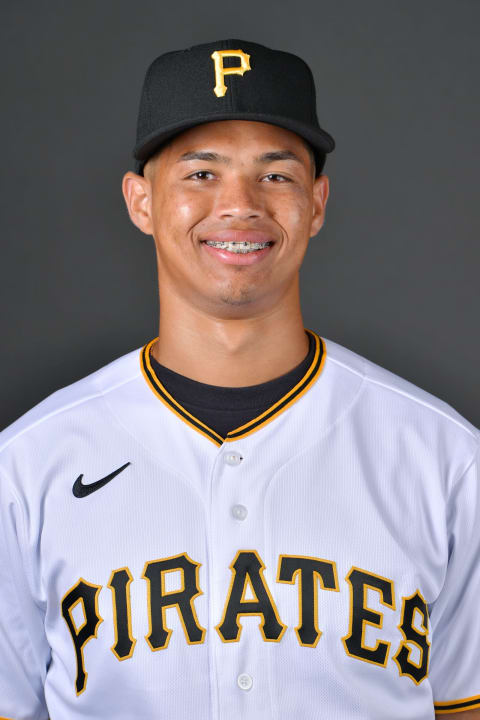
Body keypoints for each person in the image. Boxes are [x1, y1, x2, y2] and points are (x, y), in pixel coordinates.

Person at [0, 38, 479, 720]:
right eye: (200, 174)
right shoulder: (27, 467)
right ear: (141, 201)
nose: (240, 204)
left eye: (276, 176)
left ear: (316, 202)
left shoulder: (446, 461)